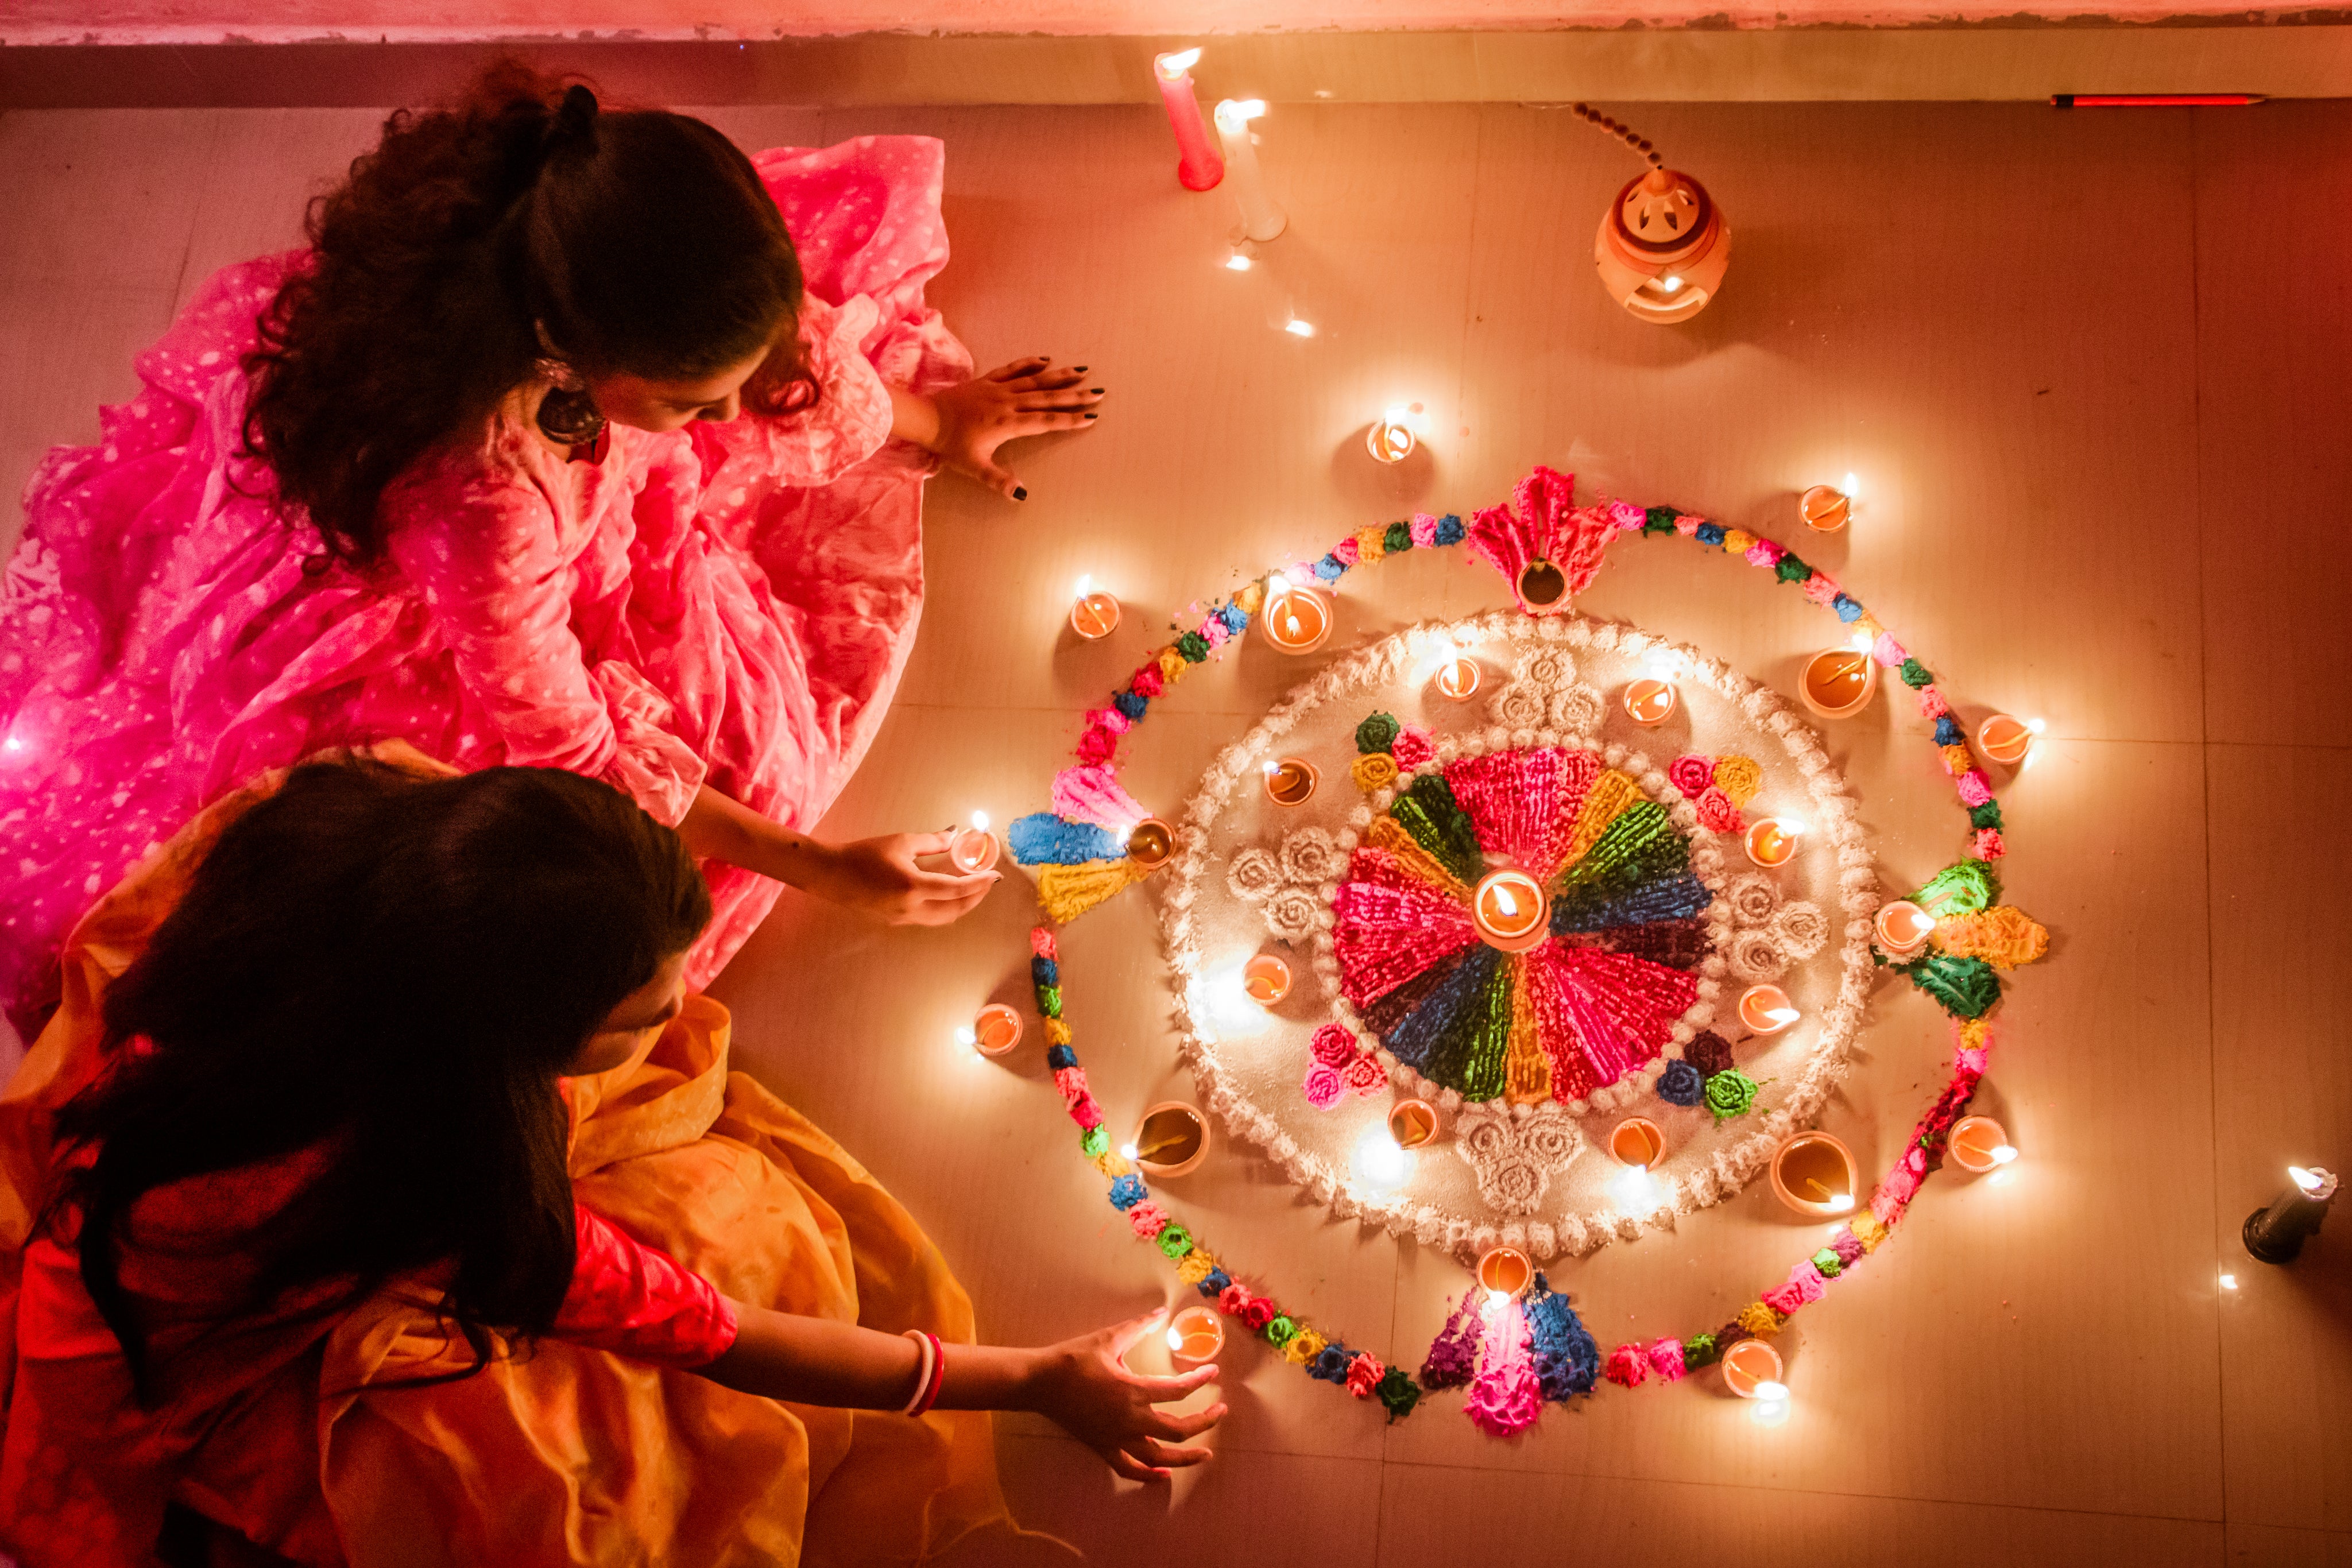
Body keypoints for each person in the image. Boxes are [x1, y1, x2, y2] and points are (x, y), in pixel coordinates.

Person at [0, 64, 1104, 1037]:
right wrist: (821, 869)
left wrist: (936, 424)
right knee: (681, 801)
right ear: (569, 356)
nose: (731, 423)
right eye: (691, 400)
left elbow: (788, 365)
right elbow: (574, 754)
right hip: (434, 623)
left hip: (539, 490)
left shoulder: (601, 250)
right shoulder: (479, 501)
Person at [0, 750, 1223, 1567]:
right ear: (494, 1047)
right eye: (635, 1015)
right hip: (155, 1381)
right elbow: (720, 1332)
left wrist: (829, 863)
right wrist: (1032, 1380)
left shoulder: (353, 835)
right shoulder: (431, 1177)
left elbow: (617, 799)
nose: (676, 1020)